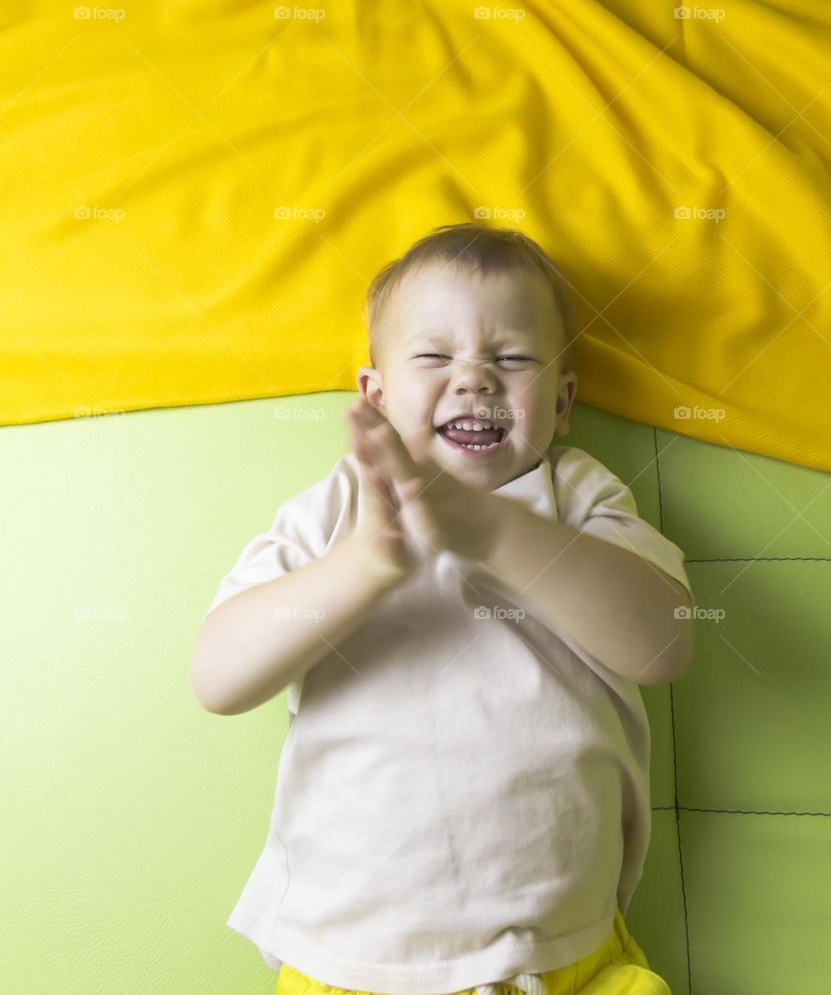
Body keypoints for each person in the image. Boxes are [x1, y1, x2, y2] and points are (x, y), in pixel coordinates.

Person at [191, 222, 695, 995]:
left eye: (513, 358)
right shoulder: (334, 512)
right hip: (351, 955)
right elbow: (218, 678)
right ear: (376, 395)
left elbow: (661, 647)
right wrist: (361, 566)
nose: (475, 380)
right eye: (434, 355)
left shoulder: (576, 497)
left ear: (562, 403)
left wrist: (493, 529)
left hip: (561, 952)